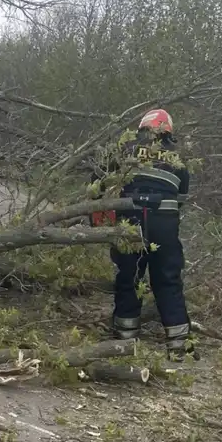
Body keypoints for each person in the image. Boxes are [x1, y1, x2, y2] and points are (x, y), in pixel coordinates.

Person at [90, 108, 197, 361]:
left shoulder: (124, 148)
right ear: (168, 131)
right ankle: (178, 344)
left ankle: (125, 339)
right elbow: (181, 198)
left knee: (128, 275)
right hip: (164, 223)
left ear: (142, 127)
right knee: (168, 279)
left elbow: (96, 182)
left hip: (130, 219)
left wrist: (99, 212)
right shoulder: (178, 157)